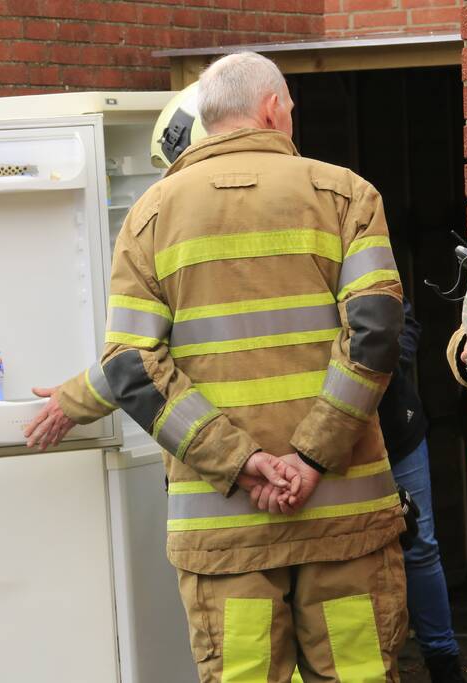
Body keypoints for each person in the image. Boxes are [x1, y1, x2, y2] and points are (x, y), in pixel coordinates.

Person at [26, 52, 408, 682]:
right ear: (271, 109)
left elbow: (130, 365)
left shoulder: (150, 217)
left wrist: (242, 463)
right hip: (343, 518)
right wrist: (310, 458)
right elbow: (374, 336)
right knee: (360, 673)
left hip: (223, 528)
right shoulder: (347, 196)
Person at [382, 301, 466, 682]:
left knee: (419, 547)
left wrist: (381, 369)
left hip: (397, 429)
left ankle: (444, 663)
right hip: (324, 440)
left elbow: (408, 320)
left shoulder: (361, 250)